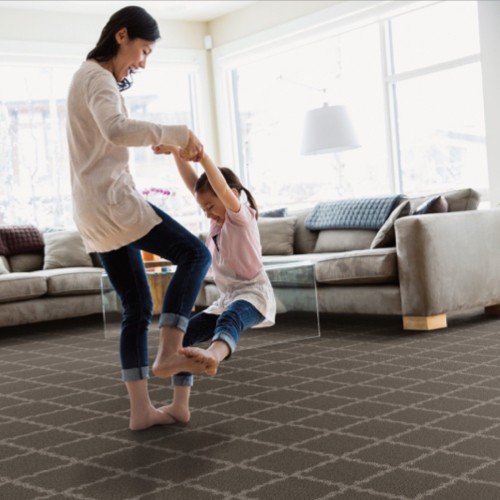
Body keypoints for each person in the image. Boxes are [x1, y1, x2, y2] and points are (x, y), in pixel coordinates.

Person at [66, 6, 213, 431]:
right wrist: (176, 133)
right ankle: (169, 350)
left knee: (136, 307)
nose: (143, 62)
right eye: (143, 50)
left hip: (92, 210)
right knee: (196, 254)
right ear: (121, 35)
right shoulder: (98, 77)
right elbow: (116, 129)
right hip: (113, 204)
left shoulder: (87, 76)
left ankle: (140, 411)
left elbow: (112, 132)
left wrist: (156, 140)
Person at [151, 143, 276, 423]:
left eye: (210, 206)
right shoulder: (217, 222)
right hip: (227, 297)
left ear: (230, 195)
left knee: (230, 320)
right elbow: (195, 185)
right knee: (181, 339)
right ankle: (179, 405)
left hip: (254, 295)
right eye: (203, 209)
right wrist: (175, 154)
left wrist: (204, 158)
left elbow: (216, 186)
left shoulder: (239, 217)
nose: (207, 213)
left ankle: (214, 355)